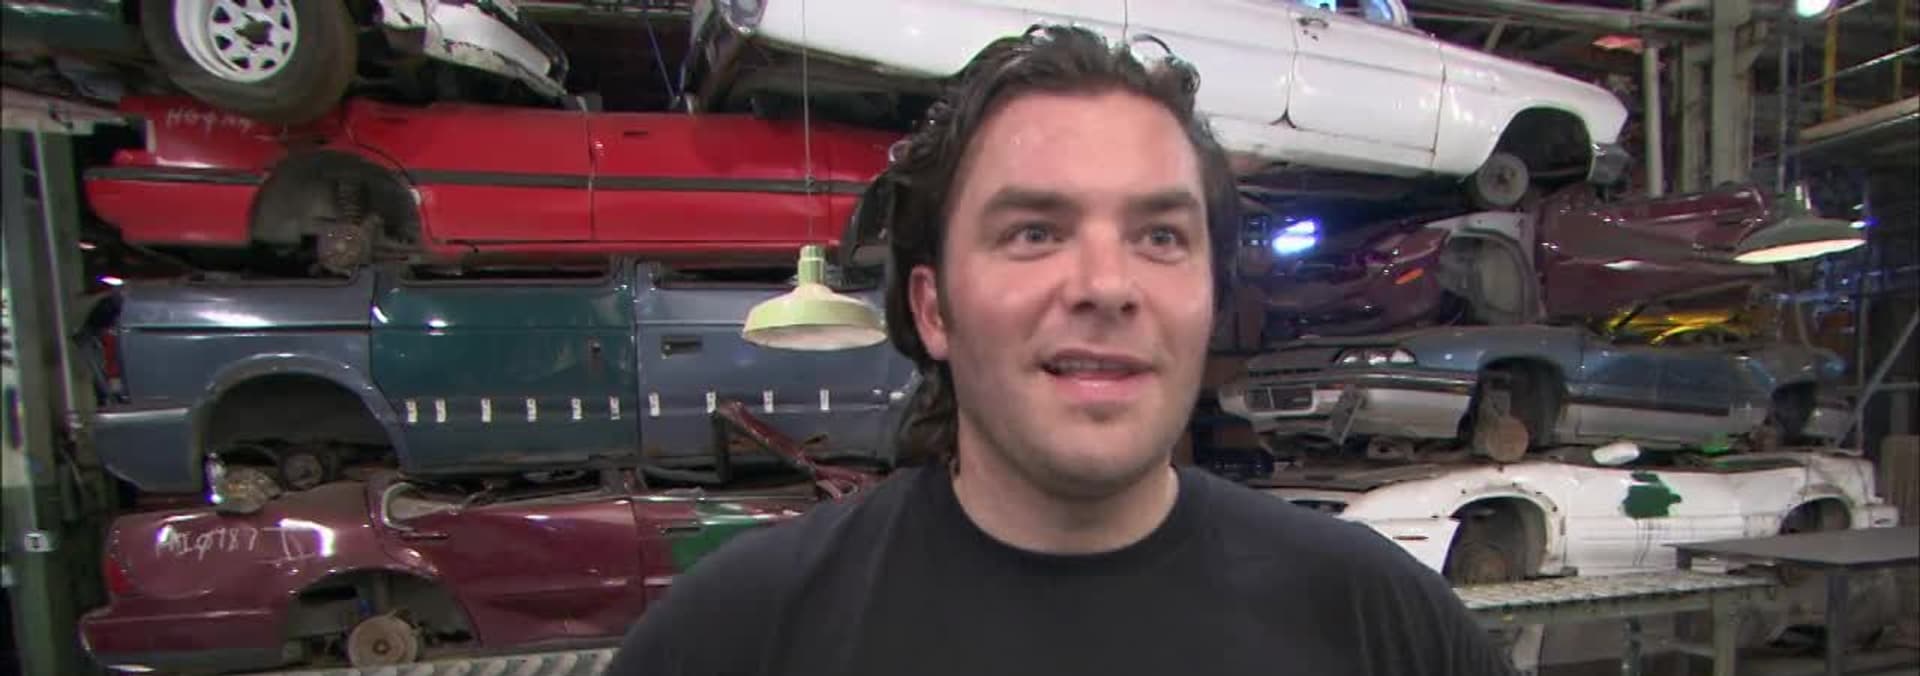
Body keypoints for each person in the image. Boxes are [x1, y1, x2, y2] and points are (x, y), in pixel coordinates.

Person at [608, 25, 1515, 676]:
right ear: (934, 309)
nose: (1106, 284)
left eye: (1159, 236)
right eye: (1035, 232)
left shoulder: (1378, 622)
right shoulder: (739, 637)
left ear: (1210, 299)